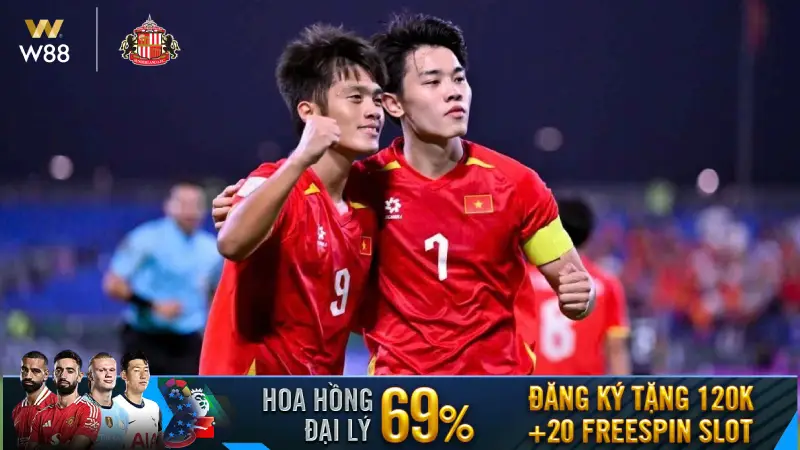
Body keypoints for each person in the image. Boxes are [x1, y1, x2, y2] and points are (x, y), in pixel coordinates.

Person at [211, 14, 595, 375]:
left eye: (459, 79)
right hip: (392, 397)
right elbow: (251, 228)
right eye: (433, 82)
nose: (453, 92)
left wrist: (582, 297)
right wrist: (248, 199)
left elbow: (573, 282)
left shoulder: (518, 183)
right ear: (394, 103)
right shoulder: (364, 185)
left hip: (496, 391)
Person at [199, 23, 384, 375]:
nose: (374, 110)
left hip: (316, 401)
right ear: (309, 112)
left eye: (377, 99)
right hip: (242, 400)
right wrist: (300, 159)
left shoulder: (364, 213)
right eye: (355, 98)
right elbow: (232, 243)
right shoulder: (270, 180)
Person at [103, 182, 223, 374]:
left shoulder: (212, 249)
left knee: (192, 394)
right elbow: (113, 284)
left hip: (188, 343)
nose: (190, 210)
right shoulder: (145, 239)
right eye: (183, 204)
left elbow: (215, 294)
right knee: (140, 394)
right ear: (168, 206)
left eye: (196, 204)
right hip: (144, 339)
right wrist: (153, 305)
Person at [516, 197, 631, 375]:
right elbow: (616, 350)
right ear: (589, 235)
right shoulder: (607, 285)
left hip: (530, 387)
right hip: (583, 389)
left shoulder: (520, 280)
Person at [27, 350, 101, 450]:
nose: (63, 375)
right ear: (53, 376)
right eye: (58, 370)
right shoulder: (41, 415)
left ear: (79, 377)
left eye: (70, 371)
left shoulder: (90, 410)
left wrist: (40, 447)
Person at [114, 351, 163, 450]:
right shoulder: (114, 407)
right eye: (136, 370)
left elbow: (159, 444)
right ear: (124, 375)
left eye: (146, 370)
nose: (143, 376)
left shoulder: (154, 407)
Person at [12, 351, 57, 450]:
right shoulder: (17, 410)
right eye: (24, 370)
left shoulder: (58, 405)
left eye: (35, 371)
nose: (28, 376)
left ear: (46, 375)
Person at [85, 353, 130, 449]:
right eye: (101, 370)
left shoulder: (123, 413)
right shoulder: (78, 408)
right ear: (90, 376)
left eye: (112, 370)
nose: (108, 375)